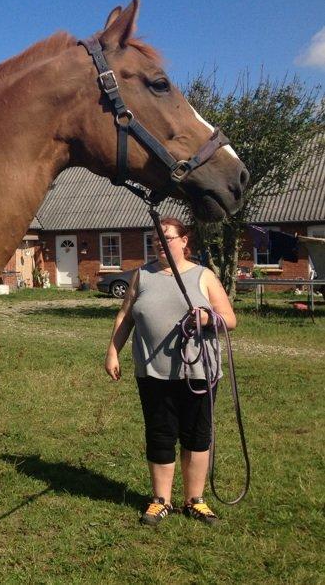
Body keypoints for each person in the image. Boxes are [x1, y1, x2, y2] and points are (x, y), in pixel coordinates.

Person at [104, 217, 237, 526]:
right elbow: (125, 316)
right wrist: (112, 350)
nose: (159, 244)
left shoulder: (203, 276)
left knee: (197, 436)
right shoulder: (142, 275)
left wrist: (206, 318)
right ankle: (160, 500)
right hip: (152, 372)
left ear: (183, 241)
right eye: (155, 240)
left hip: (199, 372)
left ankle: (195, 501)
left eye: (166, 238)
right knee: (160, 434)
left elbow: (229, 319)